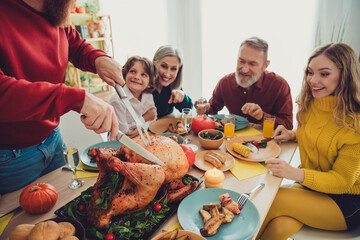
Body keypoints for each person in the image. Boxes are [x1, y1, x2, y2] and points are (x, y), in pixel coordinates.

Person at [0, 0, 125, 194]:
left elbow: (72, 42)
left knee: (62, 204)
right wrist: (75, 99)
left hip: (53, 138)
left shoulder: (54, 5)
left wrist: (97, 58)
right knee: (23, 222)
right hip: (11, 156)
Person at [258, 43, 360, 240]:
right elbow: (322, 135)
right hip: (313, 188)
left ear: (345, 75)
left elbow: (342, 182)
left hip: (347, 201)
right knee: (278, 227)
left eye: (324, 74)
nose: (313, 80)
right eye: (310, 72)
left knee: (273, 198)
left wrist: (293, 172)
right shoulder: (311, 103)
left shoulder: (355, 123)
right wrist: (293, 134)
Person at [197, 37, 293, 129]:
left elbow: (288, 125)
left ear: (265, 65)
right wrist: (205, 108)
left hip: (266, 143)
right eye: (241, 61)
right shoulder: (225, 83)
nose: (245, 69)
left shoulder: (279, 85)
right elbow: (213, 108)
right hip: (232, 141)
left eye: (252, 64)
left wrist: (262, 117)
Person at [109, 56, 157, 137]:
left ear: (149, 83)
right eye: (133, 71)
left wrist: (141, 128)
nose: (137, 77)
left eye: (143, 74)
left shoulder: (148, 95)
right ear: (125, 75)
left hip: (141, 137)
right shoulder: (117, 100)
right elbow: (124, 132)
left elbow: (153, 117)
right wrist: (144, 119)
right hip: (120, 143)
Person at [152, 45, 193, 118]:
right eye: (164, 66)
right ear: (154, 64)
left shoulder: (173, 86)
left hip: (165, 127)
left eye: (173, 69)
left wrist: (182, 97)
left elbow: (188, 109)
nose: (167, 74)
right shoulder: (143, 83)